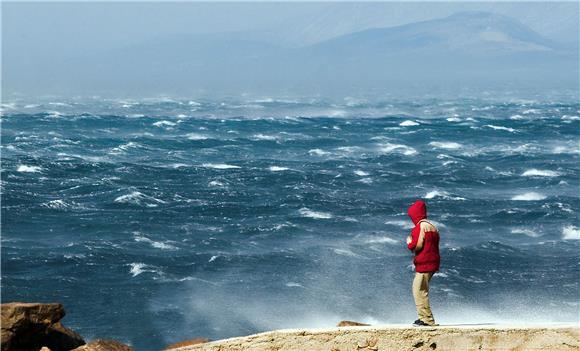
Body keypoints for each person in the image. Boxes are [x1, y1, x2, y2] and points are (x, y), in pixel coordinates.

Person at [405, 200, 440, 327]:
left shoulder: (420, 227)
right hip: (433, 261)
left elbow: (418, 245)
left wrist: (409, 242)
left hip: (424, 263)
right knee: (422, 289)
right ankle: (424, 318)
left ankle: (427, 320)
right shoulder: (433, 226)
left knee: (418, 290)